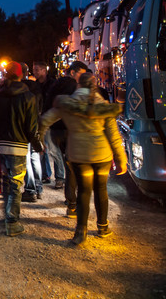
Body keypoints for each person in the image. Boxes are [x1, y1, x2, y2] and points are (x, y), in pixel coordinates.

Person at [38, 73, 127, 245]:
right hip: (102, 154)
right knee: (101, 190)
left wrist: (40, 140)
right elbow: (114, 135)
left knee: (84, 192)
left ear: (78, 85)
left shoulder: (67, 104)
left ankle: (81, 231)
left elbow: (45, 120)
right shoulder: (103, 105)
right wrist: (121, 158)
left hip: (78, 154)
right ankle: (103, 227)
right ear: (94, 85)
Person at [0, 62, 41, 237]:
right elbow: (32, 127)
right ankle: (12, 221)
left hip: (1, 145)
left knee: (6, 182)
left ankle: (8, 215)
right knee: (16, 184)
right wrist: (38, 145)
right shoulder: (28, 96)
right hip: (18, 145)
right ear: (23, 75)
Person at [45, 60, 88, 217]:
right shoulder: (74, 87)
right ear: (73, 72)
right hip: (68, 129)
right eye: (81, 74)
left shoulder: (55, 85)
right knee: (73, 168)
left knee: (66, 162)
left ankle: (70, 200)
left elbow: (47, 106)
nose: (82, 78)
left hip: (55, 129)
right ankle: (72, 203)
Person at [33, 61, 59, 185]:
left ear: (44, 70)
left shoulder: (53, 84)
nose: (35, 72)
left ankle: (60, 177)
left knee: (54, 150)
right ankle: (45, 174)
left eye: (37, 69)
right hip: (39, 120)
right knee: (41, 148)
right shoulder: (35, 85)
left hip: (50, 120)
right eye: (34, 69)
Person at [21, 63, 44, 202]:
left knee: (27, 158)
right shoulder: (36, 87)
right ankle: (39, 187)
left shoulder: (22, 88)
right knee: (35, 158)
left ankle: (30, 190)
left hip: (26, 126)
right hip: (37, 123)